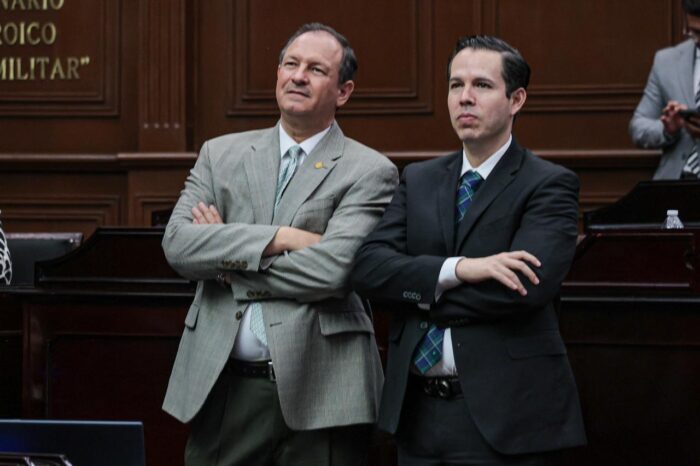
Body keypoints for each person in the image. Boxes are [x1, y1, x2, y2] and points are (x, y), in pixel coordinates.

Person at [161, 23, 398, 466]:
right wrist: (282, 239)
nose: (298, 76)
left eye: (316, 69)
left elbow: (334, 271)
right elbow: (178, 245)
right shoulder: (220, 154)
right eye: (291, 64)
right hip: (224, 388)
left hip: (322, 390)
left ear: (343, 91)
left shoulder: (370, 170)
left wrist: (227, 262)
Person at [351, 36, 587, 465]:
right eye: (455, 85)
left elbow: (525, 287)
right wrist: (459, 270)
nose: (464, 97)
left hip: (506, 417)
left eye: (481, 85)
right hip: (416, 413)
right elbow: (368, 270)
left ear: (516, 99)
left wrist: (420, 290)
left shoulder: (548, 184)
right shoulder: (419, 179)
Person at [630, 0, 700, 179]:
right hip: (676, 184)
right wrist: (667, 129)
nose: (698, 40)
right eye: (694, 32)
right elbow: (638, 126)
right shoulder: (667, 61)